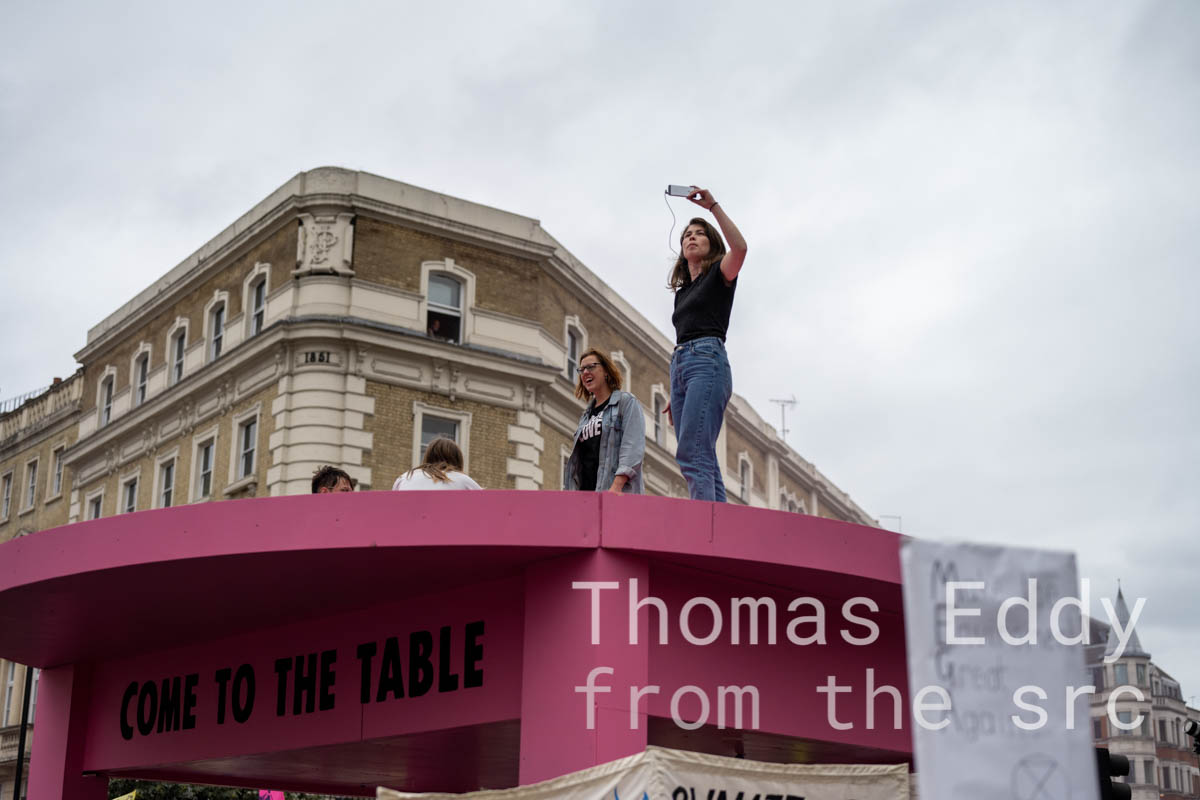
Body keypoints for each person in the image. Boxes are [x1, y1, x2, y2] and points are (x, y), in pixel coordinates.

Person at [665, 187, 748, 502]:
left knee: (692, 452)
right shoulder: (682, 293)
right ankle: (718, 522)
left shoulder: (719, 275)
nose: (691, 237)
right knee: (703, 455)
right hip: (682, 368)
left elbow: (740, 248)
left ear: (712, 242)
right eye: (687, 234)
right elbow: (684, 335)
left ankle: (703, 523)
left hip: (707, 361)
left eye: (699, 233)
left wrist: (712, 206)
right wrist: (677, 388)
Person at [564, 348, 645, 494]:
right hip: (587, 497)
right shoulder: (585, 417)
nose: (585, 372)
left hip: (614, 495)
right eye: (582, 370)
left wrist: (616, 487)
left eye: (591, 367)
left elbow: (632, 448)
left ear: (606, 371)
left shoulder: (625, 403)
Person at [392, 437, 483, 490]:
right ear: (457, 459)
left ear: (428, 457)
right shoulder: (463, 480)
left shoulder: (405, 478)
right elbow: (486, 504)